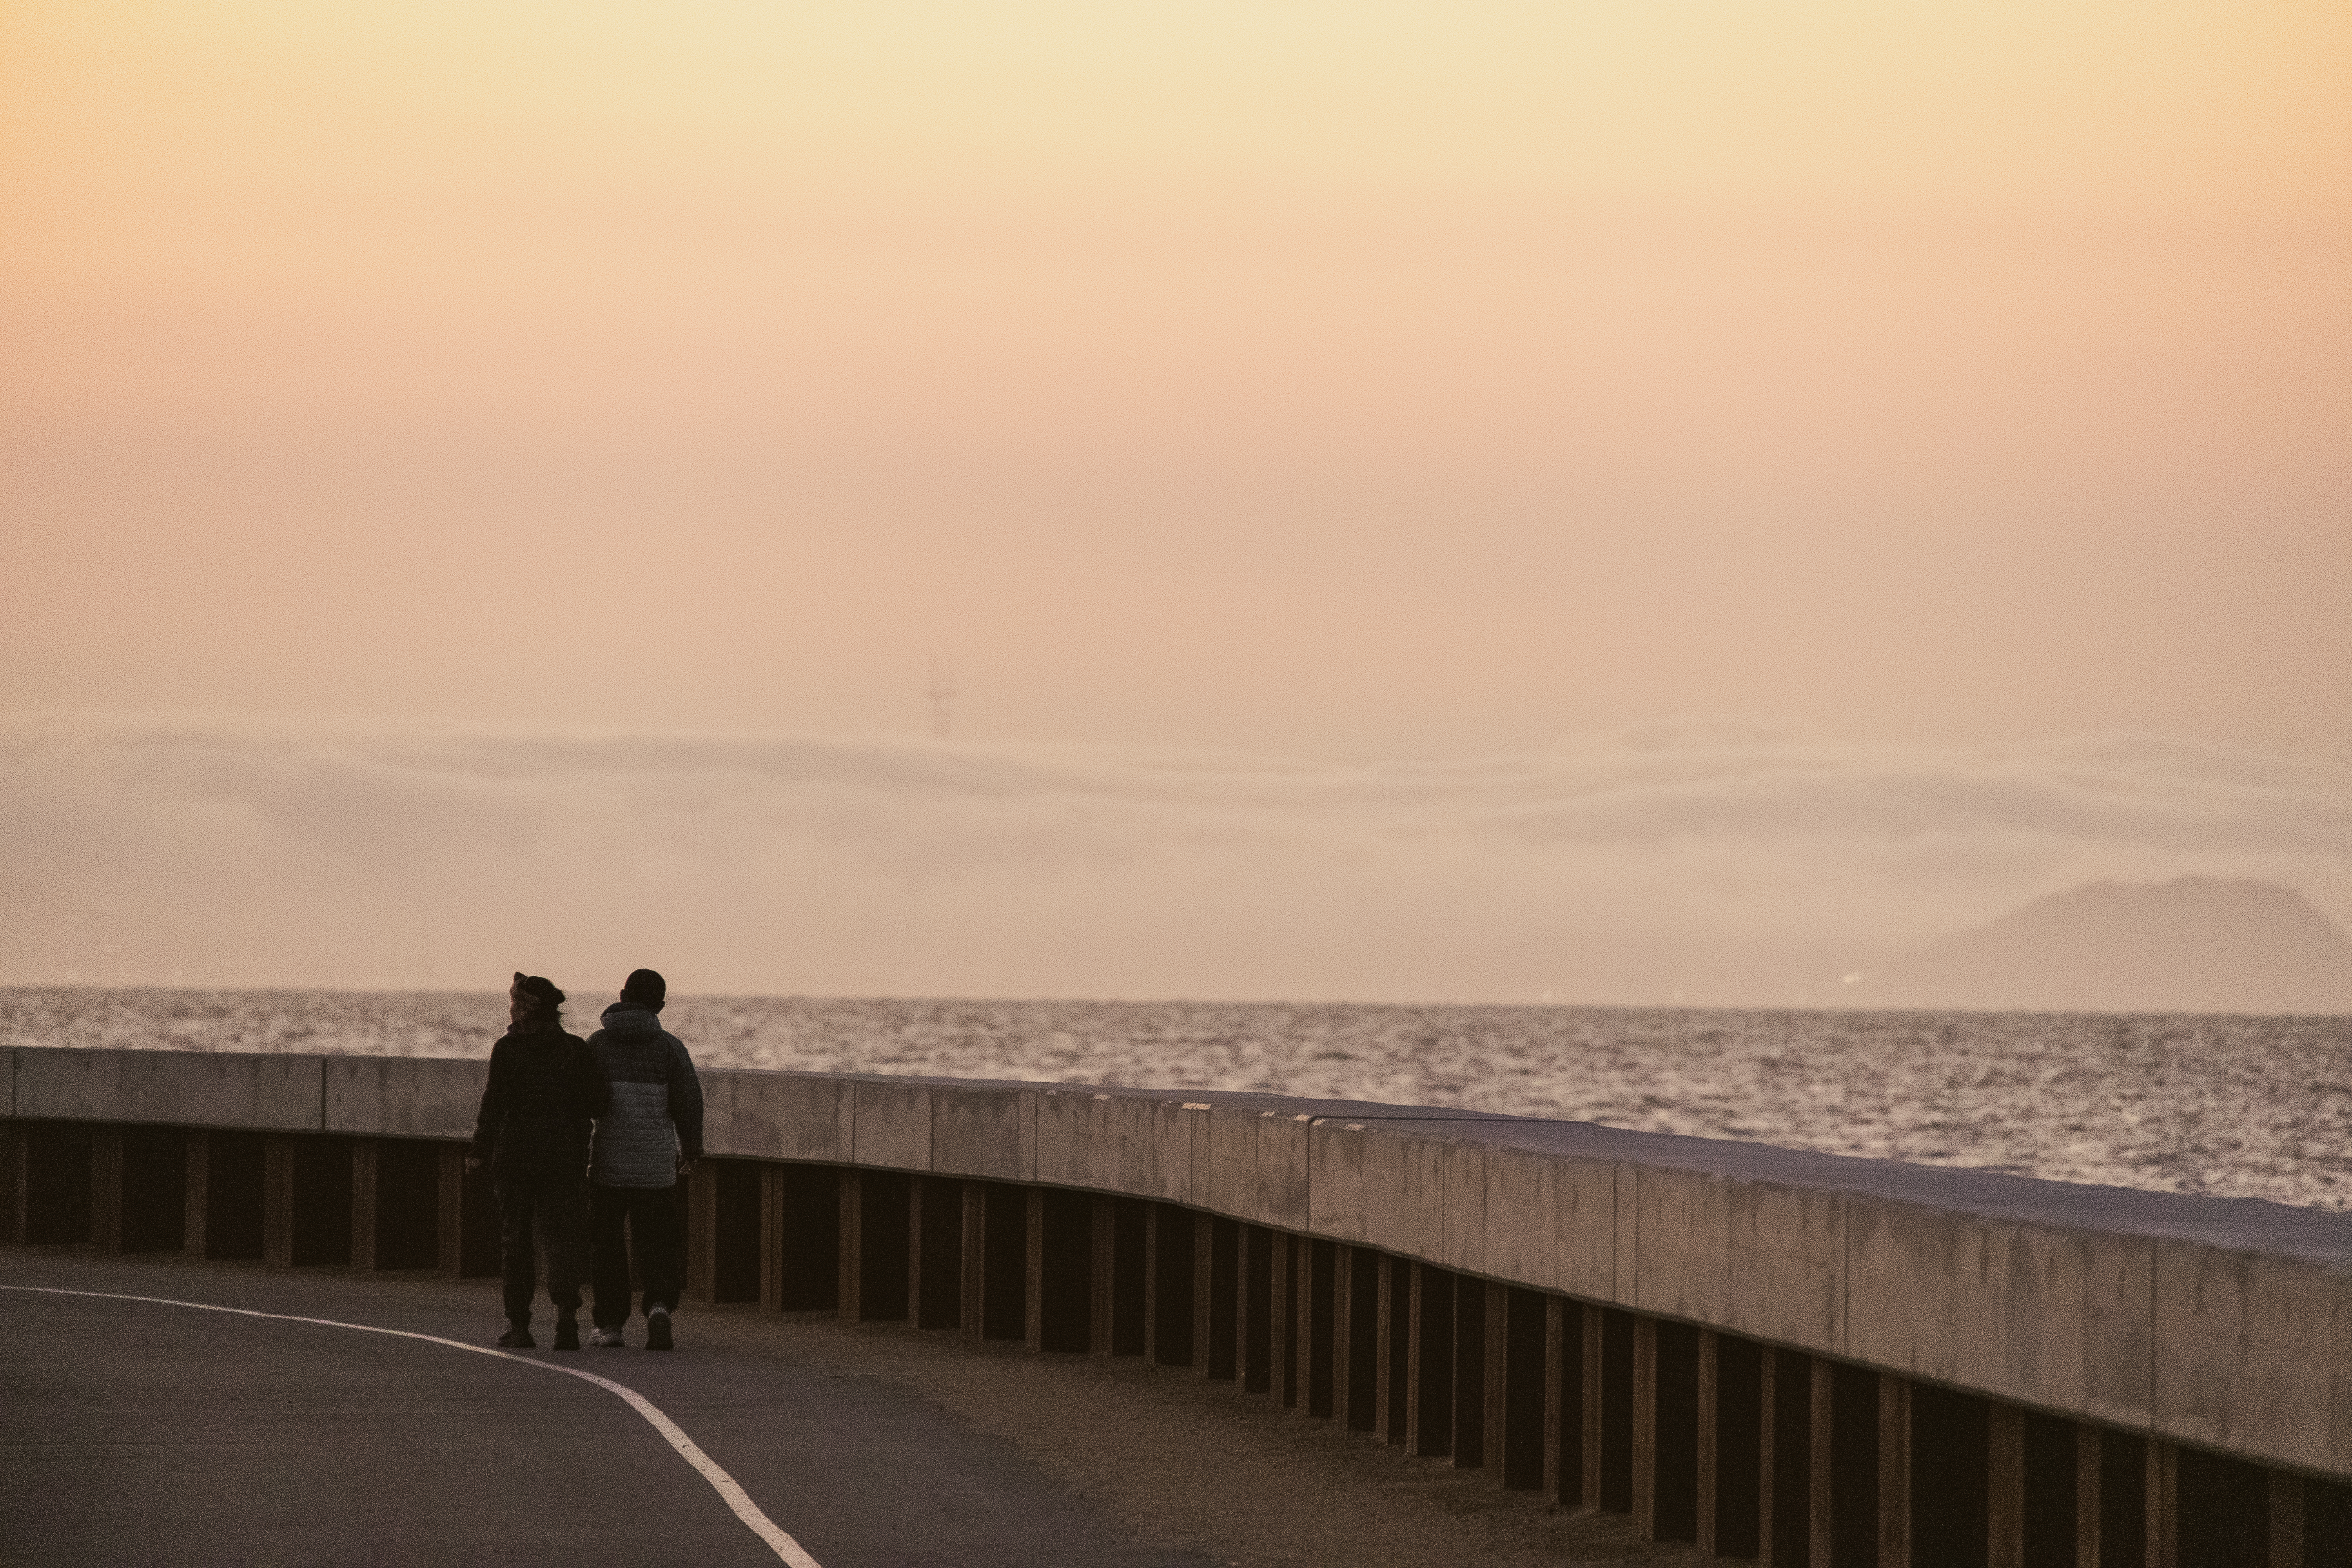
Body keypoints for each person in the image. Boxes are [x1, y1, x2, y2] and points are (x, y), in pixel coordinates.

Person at [466, 973, 604, 1350]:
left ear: (525, 1009)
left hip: (516, 1158)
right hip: (565, 1158)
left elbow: (492, 1106)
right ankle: (567, 1322)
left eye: (514, 1002)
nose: (510, 1007)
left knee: (517, 1241)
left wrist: (479, 1151)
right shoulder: (575, 1049)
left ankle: (521, 1326)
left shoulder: (508, 1050)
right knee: (562, 1239)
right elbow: (597, 1104)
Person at [582, 967, 703, 1350]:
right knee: (660, 1243)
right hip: (655, 1167)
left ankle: (612, 1325)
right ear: (661, 1005)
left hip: (609, 1165)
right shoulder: (670, 1048)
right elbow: (689, 1103)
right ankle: (659, 1308)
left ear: (622, 994)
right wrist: (691, 1147)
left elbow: (583, 1100)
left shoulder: (597, 1044)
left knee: (608, 1245)